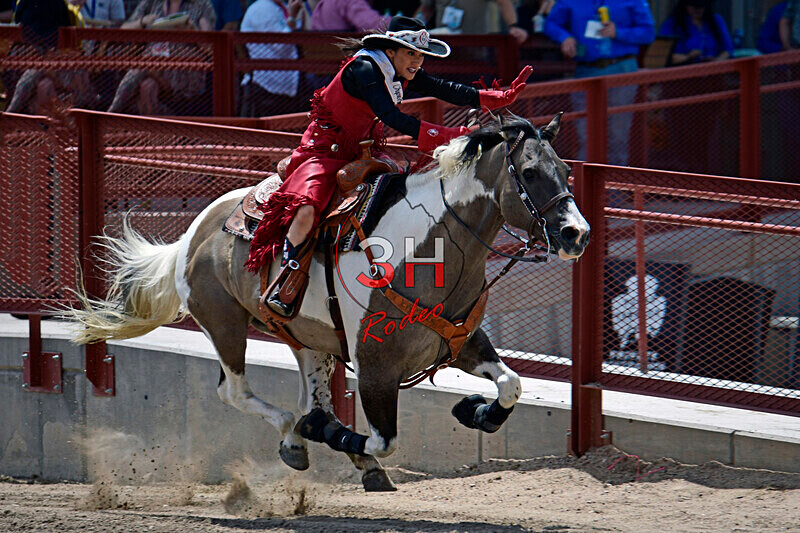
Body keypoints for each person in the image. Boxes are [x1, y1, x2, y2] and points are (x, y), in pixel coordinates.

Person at [245, 16, 532, 316]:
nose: (418, 61)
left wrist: (496, 97)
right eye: (412, 53)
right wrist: (449, 136)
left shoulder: (398, 69)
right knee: (305, 211)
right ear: (391, 50)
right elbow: (391, 116)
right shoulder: (365, 68)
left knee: (402, 193)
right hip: (322, 151)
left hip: (361, 150)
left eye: (421, 55)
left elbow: (442, 88)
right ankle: (286, 279)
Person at [544, 0, 654, 165]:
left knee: (618, 134)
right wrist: (564, 37)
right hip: (586, 73)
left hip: (620, 71)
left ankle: (616, 188)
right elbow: (550, 24)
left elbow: (648, 33)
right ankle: (585, 187)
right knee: (585, 134)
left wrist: (618, 32)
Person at [106, 0, 216, 115]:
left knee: (141, 69)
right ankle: (161, 129)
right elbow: (124, 30)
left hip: (183, 70)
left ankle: (112, 113)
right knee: (147, 87)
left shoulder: (201, 5)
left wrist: (192, 31)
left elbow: (210, 48)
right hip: (154, 63)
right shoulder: (151, 3)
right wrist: (143, 22)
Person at [6, 0, 95, 113]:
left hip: (55, 59)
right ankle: (11, 113)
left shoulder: (64, 7)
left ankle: (10, 113)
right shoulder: (62, 6)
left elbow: (17, 21)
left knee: (42, 83)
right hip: (37, 57)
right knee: (37, 82)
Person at [239, 0, 301, 116]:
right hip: (266, 82)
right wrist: (292, 17)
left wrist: (296, 14)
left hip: (286, 78)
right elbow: (281, 45)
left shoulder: (282, 6)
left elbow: (296, 28)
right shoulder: (262, 8)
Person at [417, 0, 529, 45]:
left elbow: (504, 2)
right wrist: (413, 28)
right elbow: (426, 9)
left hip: (475, 48)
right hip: (443, 49)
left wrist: (513, 26)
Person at [658, 0, 733, 65]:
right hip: (683, 73)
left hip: (714, 73)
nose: (698, 9)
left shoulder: (716, 20)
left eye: (701, 6)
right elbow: (663, 56)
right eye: (693, 5)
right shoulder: (672, 24)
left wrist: (716, 61)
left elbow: (728, 49)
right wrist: (688, 57)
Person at [310, 0, 389, 32]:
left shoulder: (323, 3)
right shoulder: (348, 1)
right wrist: (399, 22)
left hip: (322, 62)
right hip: (344, 61)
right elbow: (373, 25)